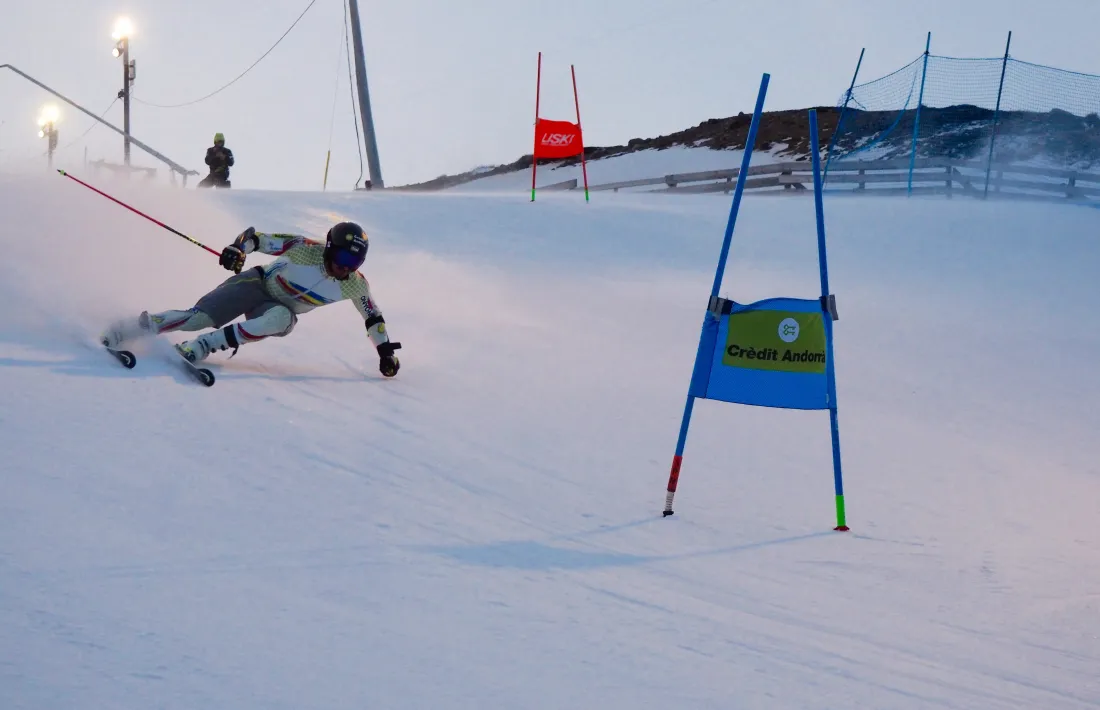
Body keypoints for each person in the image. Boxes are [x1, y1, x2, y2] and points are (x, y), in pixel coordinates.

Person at [101, 221, 401, 377]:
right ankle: (130, 328)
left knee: (283, 319)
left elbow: (372, 316)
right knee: (199, 318)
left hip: (275, 307)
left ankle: (202, 346)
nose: (345, 267)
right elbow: (256, 238)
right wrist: (238, 249)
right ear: (330, 247)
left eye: (355, 262)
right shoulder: (304, 249)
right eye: (343, 257)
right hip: (255, 283)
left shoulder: (354, 285)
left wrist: (384, 350)